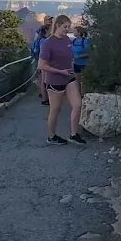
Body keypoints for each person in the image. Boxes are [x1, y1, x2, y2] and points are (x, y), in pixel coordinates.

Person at [38, 14, 85, 145]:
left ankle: (74, 134)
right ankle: (51, 136)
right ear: (57, 25)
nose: (67, 29)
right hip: (55, 81)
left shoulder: (67, 40)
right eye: (65, 27)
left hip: (69, 77)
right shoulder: (48, 43)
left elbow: (70, 58)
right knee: (55, 110)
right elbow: (41, 65)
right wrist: (60, 71)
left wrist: (71, 71)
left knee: (77, 104)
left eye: (69, 27)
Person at [30, 24, 49, 105]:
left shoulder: (39, 39)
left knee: (42, 80)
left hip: (39, 61)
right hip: (44, 63)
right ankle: (45, 99)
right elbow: (43, 52)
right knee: (45, 81)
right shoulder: (44, 40)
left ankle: (44, 97)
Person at [71, 26, 91, 93]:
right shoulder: (73, 41)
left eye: (75, 31)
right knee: (77, 81)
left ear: (79, 33)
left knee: (84, 82)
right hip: (76, 64)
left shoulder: (85, 41)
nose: (73, 32)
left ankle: (85, 95)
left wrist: (79, 56)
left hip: (85, 64)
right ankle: (79, 96)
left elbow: (90, 53)